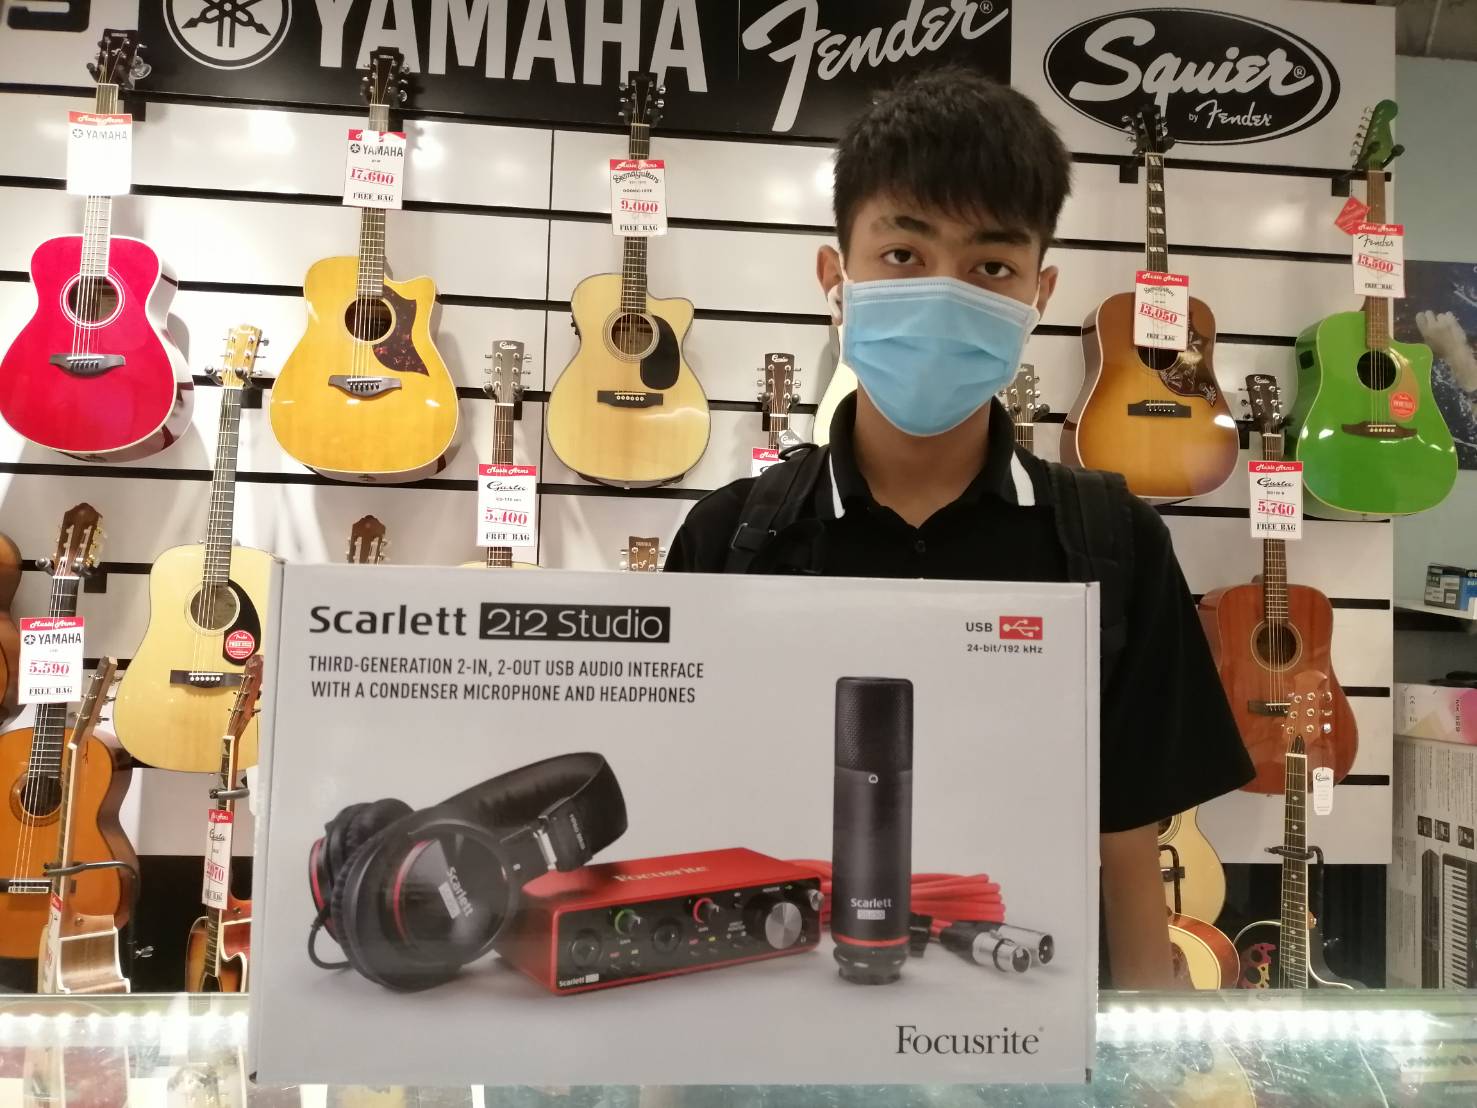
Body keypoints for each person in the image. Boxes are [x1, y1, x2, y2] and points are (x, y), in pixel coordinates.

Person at [662, 68, 1254, 988]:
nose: (944, 294)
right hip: (778, 1009)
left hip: (1027, 1016)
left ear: (1038, 292)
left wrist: (1150, 1043)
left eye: (989, 267)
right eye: (903, 254)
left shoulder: (1116, 541)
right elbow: (690, 816)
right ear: (834, 277)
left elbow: (1129, 840)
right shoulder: (730, 538)